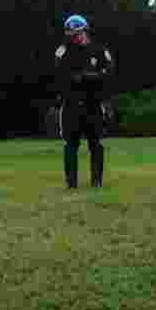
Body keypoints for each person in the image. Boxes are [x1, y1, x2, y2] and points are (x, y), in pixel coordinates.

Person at [54, 14, 115, 188]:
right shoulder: (63, 50)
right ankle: (71, 182)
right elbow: (60, 74)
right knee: (71, 145)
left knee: (96, 144)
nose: (75, 38)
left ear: (85, 31)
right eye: (72, 35)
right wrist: (76, 78)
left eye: (78, 34)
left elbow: (109, 70)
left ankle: (96, 181)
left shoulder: (99, 49)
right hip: (72, 105)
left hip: (93, 104)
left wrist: (92, 77)